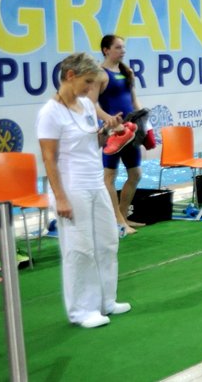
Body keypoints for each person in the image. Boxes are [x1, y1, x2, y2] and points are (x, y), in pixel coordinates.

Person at [38, 53, 130, 328]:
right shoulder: (50, 113)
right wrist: (61, 197)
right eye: (88, 81)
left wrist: (109, 133)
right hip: (72, 186)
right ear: (70, 76)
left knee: (107, 240)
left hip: (95, 182)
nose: (91, 87)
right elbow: (48, 159)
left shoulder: (87, 106)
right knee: (80, 249)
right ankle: (81, 310)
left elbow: (96, 143)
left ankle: (106, 301)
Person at [94, 35, 144, 236]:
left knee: (136, 174)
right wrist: (110, 122)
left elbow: (133, 100)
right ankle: (117, 220)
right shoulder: (99, 73)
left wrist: (144, 123)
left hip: (130, 131)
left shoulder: (126, 71)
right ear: (106, 49)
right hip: (113, 134)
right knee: (110, 176)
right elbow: (93, 105)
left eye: (123, 47)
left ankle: (124, 215)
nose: (122, 51)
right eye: (118, 47)